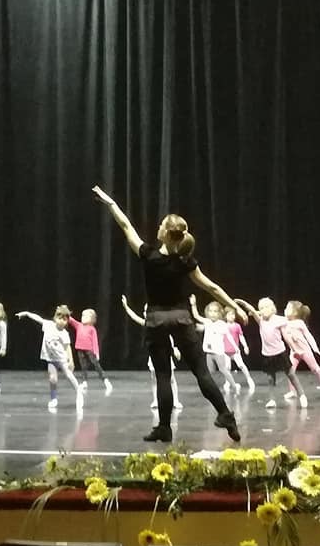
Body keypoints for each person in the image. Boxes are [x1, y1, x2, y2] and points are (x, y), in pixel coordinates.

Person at [92, 185, 244, 443]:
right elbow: (212, 287)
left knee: (163, 375)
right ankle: (225, 415)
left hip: (157, 320)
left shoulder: (149, 255)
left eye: (162, 225)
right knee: (201, 372)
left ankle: (164, 427)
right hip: (182, 318)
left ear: (165, 234)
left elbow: (126, 225)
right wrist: (236, 307)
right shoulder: (186, 262)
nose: (159, 226)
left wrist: (110, 203)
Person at [236, 296, 304, 408]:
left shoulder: (278, 320)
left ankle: (302, 395)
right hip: (267, 354)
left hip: (280, 353)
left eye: (266, 307)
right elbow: (252, 310)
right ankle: (272, 400)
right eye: (261, 308)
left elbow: (287, 332)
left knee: (291, 374)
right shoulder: (260, 320)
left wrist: (294, 347)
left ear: (272, 308)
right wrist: (243, 303)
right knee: (270, 378)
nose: (264, 310)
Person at [121, 294, 183, 412]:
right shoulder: (147, 324)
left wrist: (175, 348)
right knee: (154, 379)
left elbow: (171, 337)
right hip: (154, 356)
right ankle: (155, 400)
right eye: (145, 311)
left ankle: (175, 400)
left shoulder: (164, 324)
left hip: (166, 354)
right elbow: (134, 317)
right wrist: (126, 307)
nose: (146, 313)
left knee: (171, 378)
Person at [16, 306, 83, 410]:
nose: (62, 321)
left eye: (65, 320)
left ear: (67, 322)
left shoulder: (64, 334)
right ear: (55, 318)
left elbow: (67, 347)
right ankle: (53, 398)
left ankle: (78, 392)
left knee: (69, 375)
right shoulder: (48, 325)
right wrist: (27, 313)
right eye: (60, 318)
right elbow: (38, 319)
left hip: (61, 359)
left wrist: (71, 360)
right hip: (51, 359)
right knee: (52, 379)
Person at [283, 300, 320, 401]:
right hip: (294, 352)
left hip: (305, 351)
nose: (285, 310)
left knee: (316, 369)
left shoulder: (299, 323)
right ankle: (292, 391)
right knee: (290, 372)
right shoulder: (284, 322)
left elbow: (308, 336)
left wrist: (315, 348)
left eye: (288, 308)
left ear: (295, 313)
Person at [192, 298, 240, 394]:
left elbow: (229, 336)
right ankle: (211, 389)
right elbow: (196, 316)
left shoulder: (222, 324)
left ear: (219, 313)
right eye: (210, 311)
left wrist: (235, 347)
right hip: (209, 351)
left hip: (218, 352)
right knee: (210, 371)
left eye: (215, 311)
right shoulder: (207, 322)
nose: (212, 313)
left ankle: (234, 386)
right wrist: (193, 305)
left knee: (223, 369)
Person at [69, 308, 113, 392]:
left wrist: (96, 352)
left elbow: (95, 341)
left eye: (86, 316)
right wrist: (66, 313)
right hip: (80, 349)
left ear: (92, 319)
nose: (83, 317)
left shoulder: (92, 329)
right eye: (82, 315)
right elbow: (71, 321)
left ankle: (105, 380)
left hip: (89, 350)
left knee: (96, 365)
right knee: (83, 367)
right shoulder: (79, 325)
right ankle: (84, 382)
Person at [224, 306, 255, 392]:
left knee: (241, 365)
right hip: (225, 351)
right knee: (227, 367)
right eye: (229, 314)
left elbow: (241, 336)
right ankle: (227, 381)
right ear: (225, 316)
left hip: (235, 351)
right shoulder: (223, 326)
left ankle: (249, 379)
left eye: (233, 314)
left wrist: (245, 346)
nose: (232, 316)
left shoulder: (237, 326)